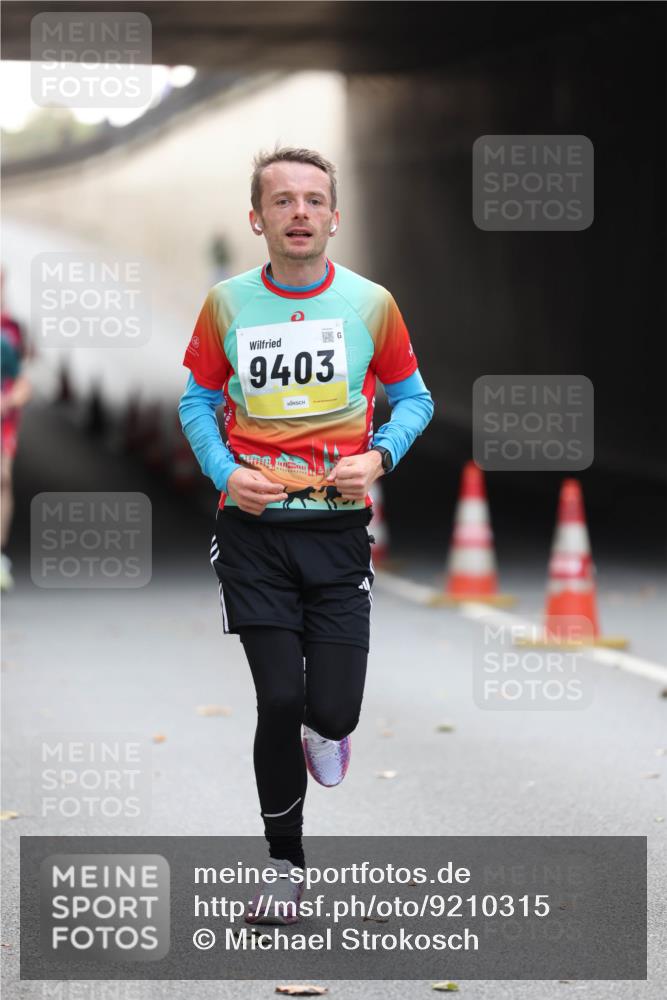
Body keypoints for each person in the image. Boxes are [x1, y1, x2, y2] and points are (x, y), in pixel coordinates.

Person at [178, 147, 433, 924]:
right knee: (279, 698)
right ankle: (283, 866)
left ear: (333, 217)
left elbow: (414, 398)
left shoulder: (370, 304)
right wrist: (226, 474)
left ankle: (329, 731)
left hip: (339, 534)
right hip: (253, 535)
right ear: (257, 218)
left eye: (313, 199)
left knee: (333, 710)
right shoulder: (225, 304)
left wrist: (379, 455)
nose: (299, 212)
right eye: (282, 200)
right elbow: (196, 401)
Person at [1, 271, 31, 591]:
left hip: (3, 423)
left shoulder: (5, 339)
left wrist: (7, 401)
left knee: (3, 479)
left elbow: (23, 383)